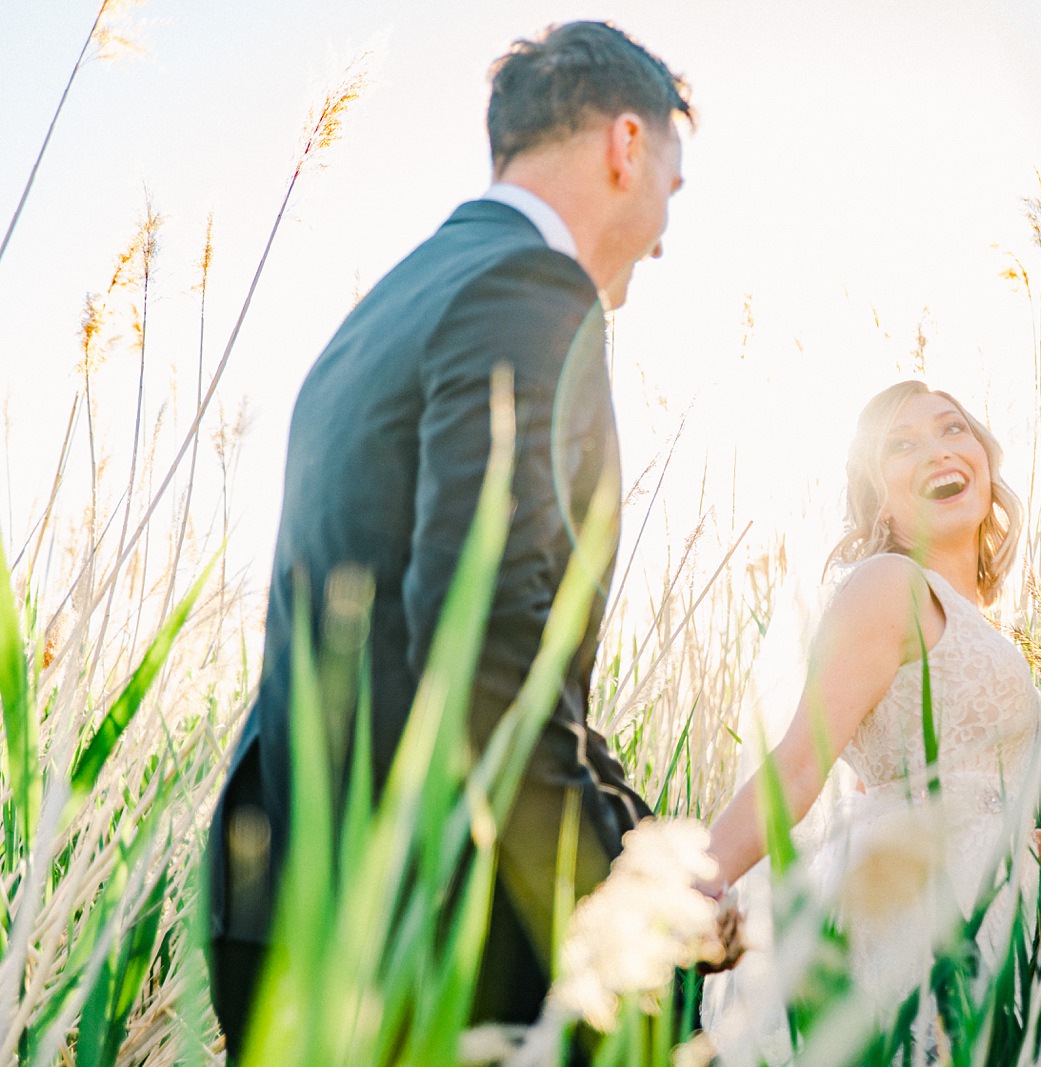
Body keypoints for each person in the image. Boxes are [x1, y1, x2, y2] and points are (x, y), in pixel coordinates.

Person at [206, 22, 691, 1052]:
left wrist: (642, 840)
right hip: (428, 928)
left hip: (287, 890)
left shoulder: (382, 309)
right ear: (625, 145)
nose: (661, 236)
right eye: (671, 192)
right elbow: (484, 651)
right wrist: (618, 921)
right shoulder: (532, 290)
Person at [698, 380, 1041, 1060]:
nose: (939, 451)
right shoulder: (889, 584)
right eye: (904, 444)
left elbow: (973, 803)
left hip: (990, 912)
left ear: (984, 457)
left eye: (952, 429)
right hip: (909, 918)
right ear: (880, 500)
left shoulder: (979, 626)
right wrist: (695, 883)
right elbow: (800, 765)